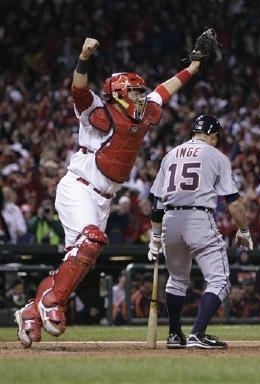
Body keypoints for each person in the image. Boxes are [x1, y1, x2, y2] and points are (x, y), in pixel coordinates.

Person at [15, 29, 217, 348]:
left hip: (104, 198)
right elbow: (78, 89)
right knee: (91, 241)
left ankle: (31, 311)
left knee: (79, 261)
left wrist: (193, 67)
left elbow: (165, 90)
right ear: (119, 94)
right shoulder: (98, 110)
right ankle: (52, 301)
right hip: (79, 188)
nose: (140, 97)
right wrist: (83, 59)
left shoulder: (145, 111)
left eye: (140, 92)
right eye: (134, 92)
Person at [148, 114, 253, 349]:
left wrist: (155, 236)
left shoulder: (170, 155)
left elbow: (156, 201)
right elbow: (233, 202)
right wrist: (244, 229)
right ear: (214, 136)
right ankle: (197, 333)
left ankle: (175, 335)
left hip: (170, 219)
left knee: (176, 280)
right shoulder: (217, 156)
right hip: (198, 217)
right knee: (219, 280)